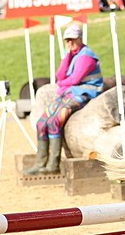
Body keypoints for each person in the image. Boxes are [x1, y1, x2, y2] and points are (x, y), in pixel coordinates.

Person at [25, 23, 103, 175]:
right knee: (42, 122)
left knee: (54, 121)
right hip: (70, 92)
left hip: (85, 92)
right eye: (67, 40)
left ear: (80, 38)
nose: (70, 43)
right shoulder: (73, 55)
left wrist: (61, 84)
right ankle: (40, 163)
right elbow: (60, 75)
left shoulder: (86, 56)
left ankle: (53, 165)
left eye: (73, 39)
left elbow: (74, 79)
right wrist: (67, 56)